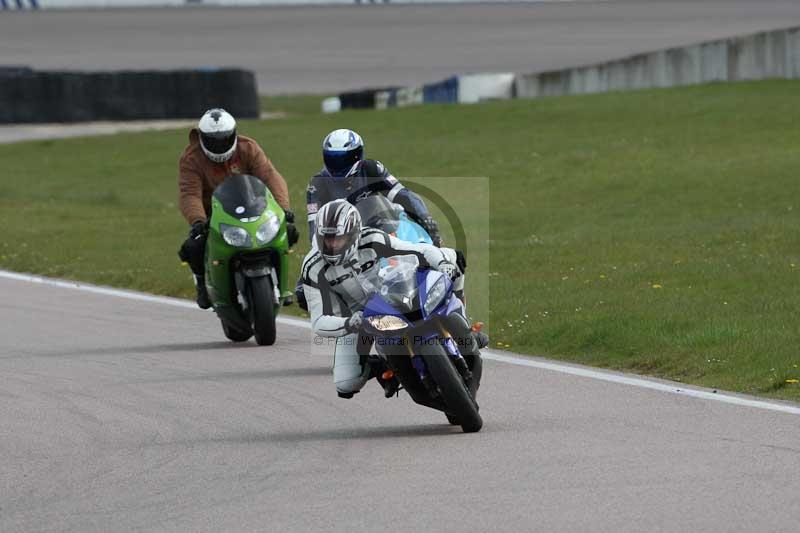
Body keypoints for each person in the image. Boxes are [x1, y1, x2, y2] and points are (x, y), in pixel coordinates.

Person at [300, 200, 487, 399]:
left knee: (451, 257)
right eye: (327, 239)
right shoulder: (312, 268)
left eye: (338, 238)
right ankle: (381, 365)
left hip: (390, 293)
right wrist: (349, 322)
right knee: (346, 383)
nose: (332, 245)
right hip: (356, 317)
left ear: (354, 233)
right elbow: (318, 321)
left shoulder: (371, 237)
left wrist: (442, 263)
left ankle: (465, 327)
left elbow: (418, 249)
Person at [178, 108, 298, 309]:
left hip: (254, 208)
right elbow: (189, 193)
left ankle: (283, 287)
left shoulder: (248, 148)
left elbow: (270, 176)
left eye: (224, 139)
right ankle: (201, 282)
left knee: (289, 232)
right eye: (213, 140)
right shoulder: (192, 158)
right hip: (214, 216)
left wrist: (283, 208)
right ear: (202, 138)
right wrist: (197, 220)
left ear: (234, 134)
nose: (219, 144)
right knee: (194, 247)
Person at [307, 129, 442, 246]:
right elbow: (314, 229)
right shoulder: (317, 184)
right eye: (333, 159)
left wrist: (426, 220)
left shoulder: (371, 169)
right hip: (342, 243)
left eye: (343, 159)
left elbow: (402, 195)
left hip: (379, 230)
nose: (338, 165)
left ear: (357, 155)